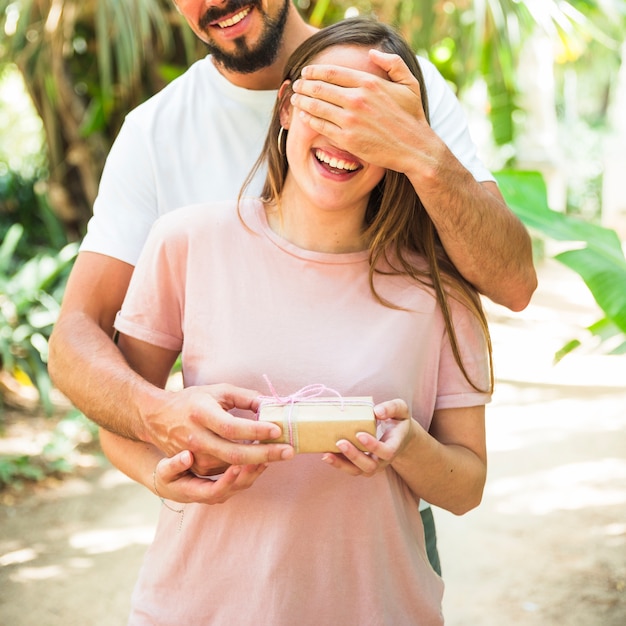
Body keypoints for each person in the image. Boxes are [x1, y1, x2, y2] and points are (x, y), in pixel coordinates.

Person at [48, 0, 533, 573]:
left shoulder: (398, 81)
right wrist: (158, 414)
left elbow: (513, 282)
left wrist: (418, 146)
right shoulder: (157, 137)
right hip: (223, 559)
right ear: (286, 110)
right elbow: (75, 335)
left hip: (377, 533)